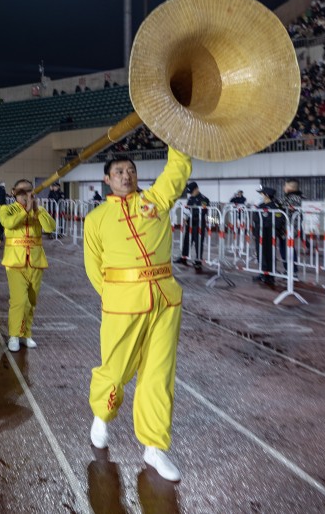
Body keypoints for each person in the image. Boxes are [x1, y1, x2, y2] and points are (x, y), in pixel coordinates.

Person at [84, 148, 191, 482]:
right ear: (106, 179)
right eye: (118, 171)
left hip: (165, 300)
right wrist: (117, 295)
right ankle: (102, 415)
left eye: (130, 170)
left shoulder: (155, 201)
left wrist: (178, 136)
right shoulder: (96, 219)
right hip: (121, 304)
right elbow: (94, 268)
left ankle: (154, 447)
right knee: (115, 368)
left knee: (159, 375)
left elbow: (177, 171)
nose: (126, 176)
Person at [0, 179, 56, 351]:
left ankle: (26, 334)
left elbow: (50, 227)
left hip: (36, 261)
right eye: (21, 191)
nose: (25, 195)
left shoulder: (39, 211)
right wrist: (26, 211)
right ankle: (14, 335)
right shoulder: (6, 209)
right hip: (15, 262)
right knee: (19, 301)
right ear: (14, 192)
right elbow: (8, 223)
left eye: (28, 191)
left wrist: (37, 210)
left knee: (31, 301)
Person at [251, 187, 285, 287]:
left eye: (262, 194)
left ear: (266, 195)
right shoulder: (260, 206)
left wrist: (265, 225)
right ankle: (262, 273)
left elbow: (278, 221)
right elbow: (255, 219)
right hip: (260, 234)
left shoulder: (275, 206)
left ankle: (270, 275)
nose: (260, 196)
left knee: (269, 254)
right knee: (260, 254)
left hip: (269, 234)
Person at [177, 182, 210, 271]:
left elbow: (203, 212)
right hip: (190, 224)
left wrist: (191, 215)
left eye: (192, 192)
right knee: (187, 240)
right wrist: (185, 218)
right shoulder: (191, 198)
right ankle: (184, 257)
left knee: (198, 242)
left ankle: (198, 261)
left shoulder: (204, 199)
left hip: (199, 225)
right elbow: (187, 209)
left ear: (196, 189)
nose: (191, 194)